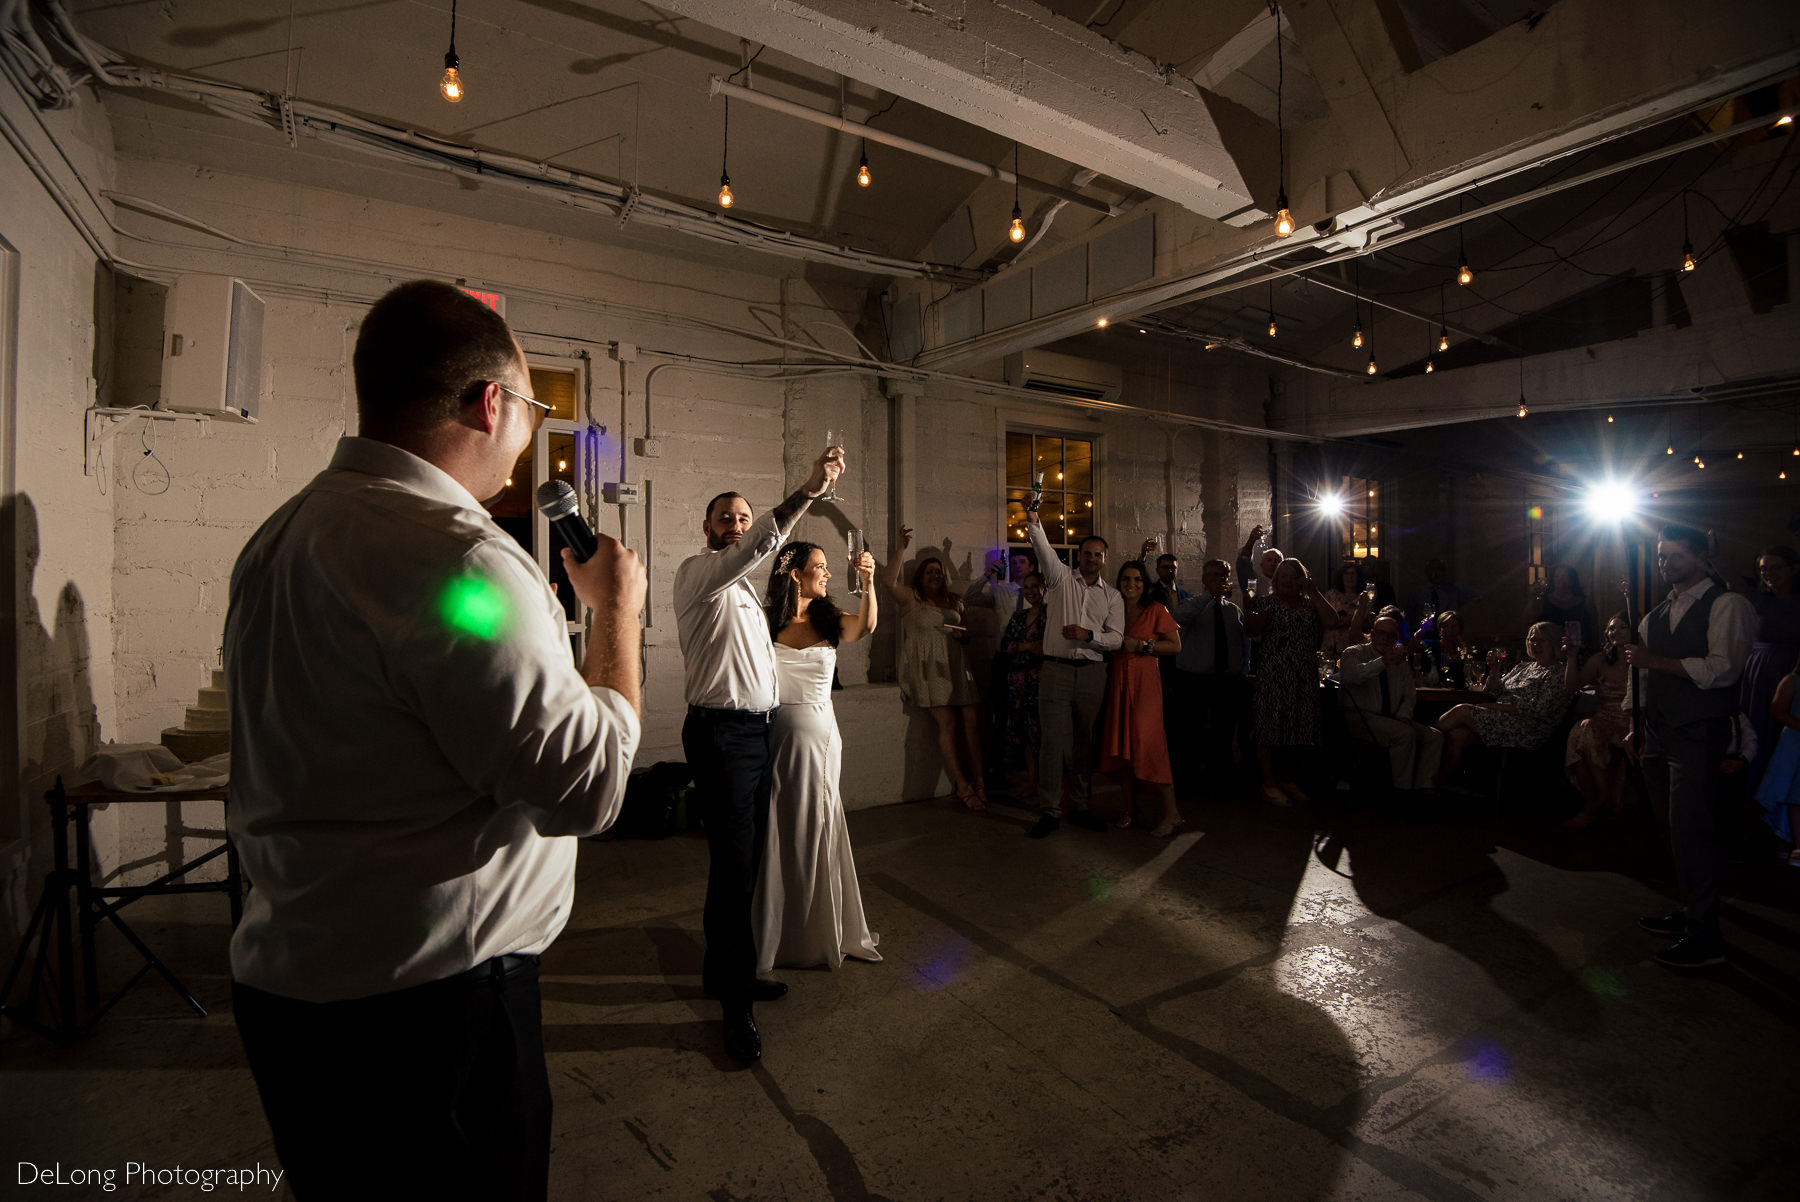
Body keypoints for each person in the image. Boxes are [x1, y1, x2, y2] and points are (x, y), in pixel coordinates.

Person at [223, 280, 647, 1200]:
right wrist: (616, 615)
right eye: (532, 407)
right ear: (489, 402)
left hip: (296, 995)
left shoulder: (280, 538)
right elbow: (588, 788)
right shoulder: (462, 558)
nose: (530, 432)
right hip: (431, 1016)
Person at [675, 445, 843, 1065]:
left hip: (754, 734)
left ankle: (724, 973)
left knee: (739, 865)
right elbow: (759, 549)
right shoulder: (701, 574)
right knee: (735, 866)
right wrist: (808, 491)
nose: (737, 525)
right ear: (707, 529)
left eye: (744, 517)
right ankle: (735, 1009)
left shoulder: (747, 595)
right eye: (726, 517)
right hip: (723, 736)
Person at [1626, 525, 1755, 969]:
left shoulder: (1727, 604)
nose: (1665, 565)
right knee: (1670, 828)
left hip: (1699, 730)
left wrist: (1655, 661)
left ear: (1701, 557)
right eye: (1662, 557)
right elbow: (1641, 676)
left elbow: (1724, 669)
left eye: (1675, 557)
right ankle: (1690, 909)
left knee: (1693, 830)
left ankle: (1707, 936)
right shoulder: (1657, 613)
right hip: (1658, 730)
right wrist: (1634, 721)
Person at [753, 542, 882, 974]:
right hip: (774, 736)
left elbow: (866, 626)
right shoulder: (767, 621)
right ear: (794, 575)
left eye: (828, 567)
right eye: (819, 567)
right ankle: (780, 928)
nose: (826, 574)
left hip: (818, 737)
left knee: (816, 823)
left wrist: (867, 582)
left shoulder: (829, 620)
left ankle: (817, 930)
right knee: (779, 826)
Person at [1025, 508, 1123, 837]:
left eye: (1098, 554)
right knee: (1052, 742)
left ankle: (1080, 805)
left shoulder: (1112, 595)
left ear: (1104, 559)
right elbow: (1043, 549)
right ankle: (1050, 810)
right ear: (1078, 556)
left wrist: (1088, 636)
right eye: (1087, 553)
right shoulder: (1060, 579)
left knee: (1084, 743)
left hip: (1092, 674)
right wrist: (1035, 520)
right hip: (1056, 670)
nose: (1092, 558)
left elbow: (1117, 638)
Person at [885, 529, 987, 810]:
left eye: (939, 572)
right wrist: (900, 549)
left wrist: (962, 636)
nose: (935, 576)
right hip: (930, 669)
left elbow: (967, 634)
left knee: (972, 725)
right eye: (930, 572)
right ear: (920, 576)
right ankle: (963, 786)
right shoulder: (911, 599)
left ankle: (979, 780)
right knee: (949, 724)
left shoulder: (955, 601)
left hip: (958, 665)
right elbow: (888, 581)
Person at [1243, 558, 1341, 805]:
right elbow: (1252, 631)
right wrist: (1252, 608)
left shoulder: (1310, 605)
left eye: (1292, 576)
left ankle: (1287, 779)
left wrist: (1313, 591)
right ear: (1276, 580)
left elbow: (1332, 621)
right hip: (1274, 675)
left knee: (1296, 730)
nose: (1287, 580)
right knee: (1269, 729)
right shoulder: (1268, 602)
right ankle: (1269, 783)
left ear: (1301, 579)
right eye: (1282, 576)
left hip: (1303, 676)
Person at [1099, 562, 1184, 835]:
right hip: (1118, 683)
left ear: (1144, 583)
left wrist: (1143, 646)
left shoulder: (1156, 609)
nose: (1131, 584)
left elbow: (1174, 645)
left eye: (1136, 579)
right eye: (1125, 579)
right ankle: (1130, 808)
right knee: (1122, 748)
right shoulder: (1113, 609)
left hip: (1145, 683)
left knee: (1149, 745)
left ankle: (1172, 814)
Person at [1433, 621, 1571, 786]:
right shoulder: (1524, 667)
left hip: (1529, 728)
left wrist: (1494, 707)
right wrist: (1495, 670)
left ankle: (1425, 738)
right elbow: (1492, 692)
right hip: (1503, 721)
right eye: (1532, 640)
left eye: (1541, 641)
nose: (1535, 645)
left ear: (1554, 643)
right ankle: (1433, 784)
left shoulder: (1557, 673)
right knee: (1457, 736)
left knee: (1462, 710)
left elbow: (1538, 710)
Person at [1336, 614, 1443, 792]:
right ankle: (1401, 790)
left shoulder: (1400, 661)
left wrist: (1404, 713)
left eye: (1391, 635)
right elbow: (1351, 676)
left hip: (1392, 717)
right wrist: (1382, 662)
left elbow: (1409, 693)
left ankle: (1422, 787)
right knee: (1404, 734)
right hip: (1361, 716)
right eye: (1381, 633)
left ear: (1396, 638)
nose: (1385, 639)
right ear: (1372, 633)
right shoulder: (1354, 653)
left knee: (1434, 736)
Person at [1170, 560, 1248, 792]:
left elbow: (1243, 643)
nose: (1219, 580)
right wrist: (1209, 597)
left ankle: (1221, 780)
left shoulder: (1233, 610)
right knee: (1190, 731)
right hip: (1195, 680)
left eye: (1223, 575)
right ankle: (1184, 779)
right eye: (1214, 575)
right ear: (1204, 580)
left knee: (1223, 731)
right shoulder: (1191, 604)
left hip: (1226, 680)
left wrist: (1243, 669)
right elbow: (1178, 617)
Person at [1561, 615, 1635, 828]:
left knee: (1588, 731)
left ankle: (1596, 804)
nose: (1616, 632)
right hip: (1603, 720)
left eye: (1623, 627)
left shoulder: (1639, 659)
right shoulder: (1600, 660)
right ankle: (1599, 799)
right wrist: (1572, 657)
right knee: (1582, 731)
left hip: (1630, 722)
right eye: (1612, 628)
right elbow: (1571, 686)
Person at [1737, 545, 1800, 789]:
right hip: (1756, 674)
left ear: (1793, 569)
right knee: (1754, 729)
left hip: (1788, 672)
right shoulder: (1759, 600)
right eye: (1764, 569)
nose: (1769, 573)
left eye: (1776, 568)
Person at [995, 571, 1048, 800]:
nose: (1030, 591)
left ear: (1044, 588)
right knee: (1025, 732)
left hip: (1041, 680)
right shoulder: (1018, 616)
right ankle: (1031, 781)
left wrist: (1023, 646)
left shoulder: (1051, 616)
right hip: (1017, 681)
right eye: (1026, 587)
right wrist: (1028, 646)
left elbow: (1046, 647)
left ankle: (1048, 783)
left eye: (1035, 586)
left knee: (1042, 732)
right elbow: (1006, 645)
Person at [1753, 648, 1800, 866]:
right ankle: (1795, 845)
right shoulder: (1792, 680)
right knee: (1793, 793)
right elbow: (1777, 709)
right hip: (1795, 744)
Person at [1525, 563, 1598, 653]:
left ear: (1572, 580)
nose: (1560, 580)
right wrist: (1532, 597)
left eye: (1565, 576)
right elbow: (1529, 619)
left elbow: (1594, 627)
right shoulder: (1544, 600)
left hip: (1580, 650)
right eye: (1557, 576)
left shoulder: (1585, 601)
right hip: (1549, 652)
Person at [1322, 561, 1375, 659]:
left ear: (1358, 576)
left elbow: (1369, 622)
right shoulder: (1331, 595)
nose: (1349, 577)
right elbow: (1325, 618)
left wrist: (1348, 620)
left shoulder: (1364, 597)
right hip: (1331, 646)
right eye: (1346, 574)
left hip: (1353, 645)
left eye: (1352, 574)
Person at [1408, 555, 1476, 628]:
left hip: (1449, 633)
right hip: (1425, 633)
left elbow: (1477, 596)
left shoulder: (1455, 591)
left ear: (1444, 571)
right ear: (1427, 572)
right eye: (1432, 569)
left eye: (1439, 569)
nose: (1435, 573)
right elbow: (1409, 615)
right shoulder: (1419, 593)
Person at [1421, 609, 1471, 688]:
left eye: (1453, 626)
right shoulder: (1430, 645)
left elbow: (1469, 675)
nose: (1450, 630)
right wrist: (1422, 630)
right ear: (1439, 629)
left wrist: (1464, 648)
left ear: (1460, 629)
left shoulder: (1463, 650)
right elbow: (1411, 648)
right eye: (1445, 626)